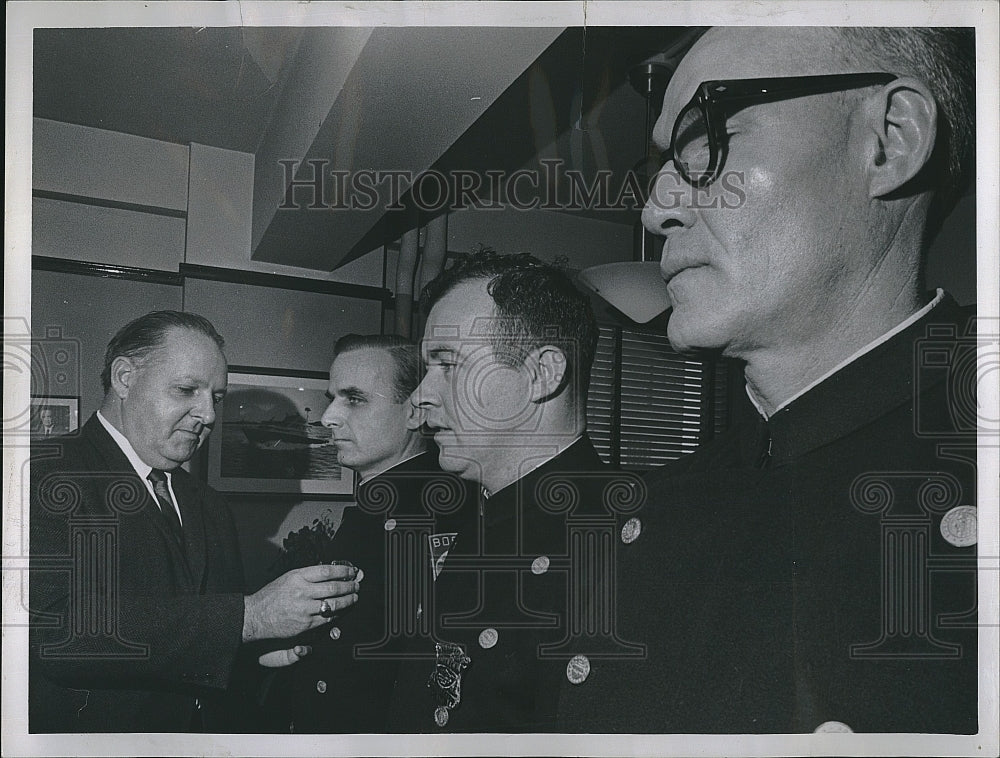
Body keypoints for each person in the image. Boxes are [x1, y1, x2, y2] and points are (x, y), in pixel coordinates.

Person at [558, 26, 978, 733]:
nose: (655, 210)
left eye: (707, 143)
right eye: (661, 165)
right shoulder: (647, 519)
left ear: (891, 140)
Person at [29, 310, 359, 733]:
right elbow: (56, 636)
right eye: (187, 390)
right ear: (124, 377)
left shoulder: (208, 504)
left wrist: (254, 652)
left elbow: (201, 638)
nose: (209, 415)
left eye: (216, 398)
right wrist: (248, 619)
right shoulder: (41, 474)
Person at [386, 251, 643, 732]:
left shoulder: (621, 545)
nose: (420, 394)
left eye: (448, 365)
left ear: (543, 374)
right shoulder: (470, 520)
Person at [264, 334, 468, 733]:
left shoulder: (432, 515)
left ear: (415, 413)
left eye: (354, 399)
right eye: (332, 397)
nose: (329, 417)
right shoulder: (381, 505)